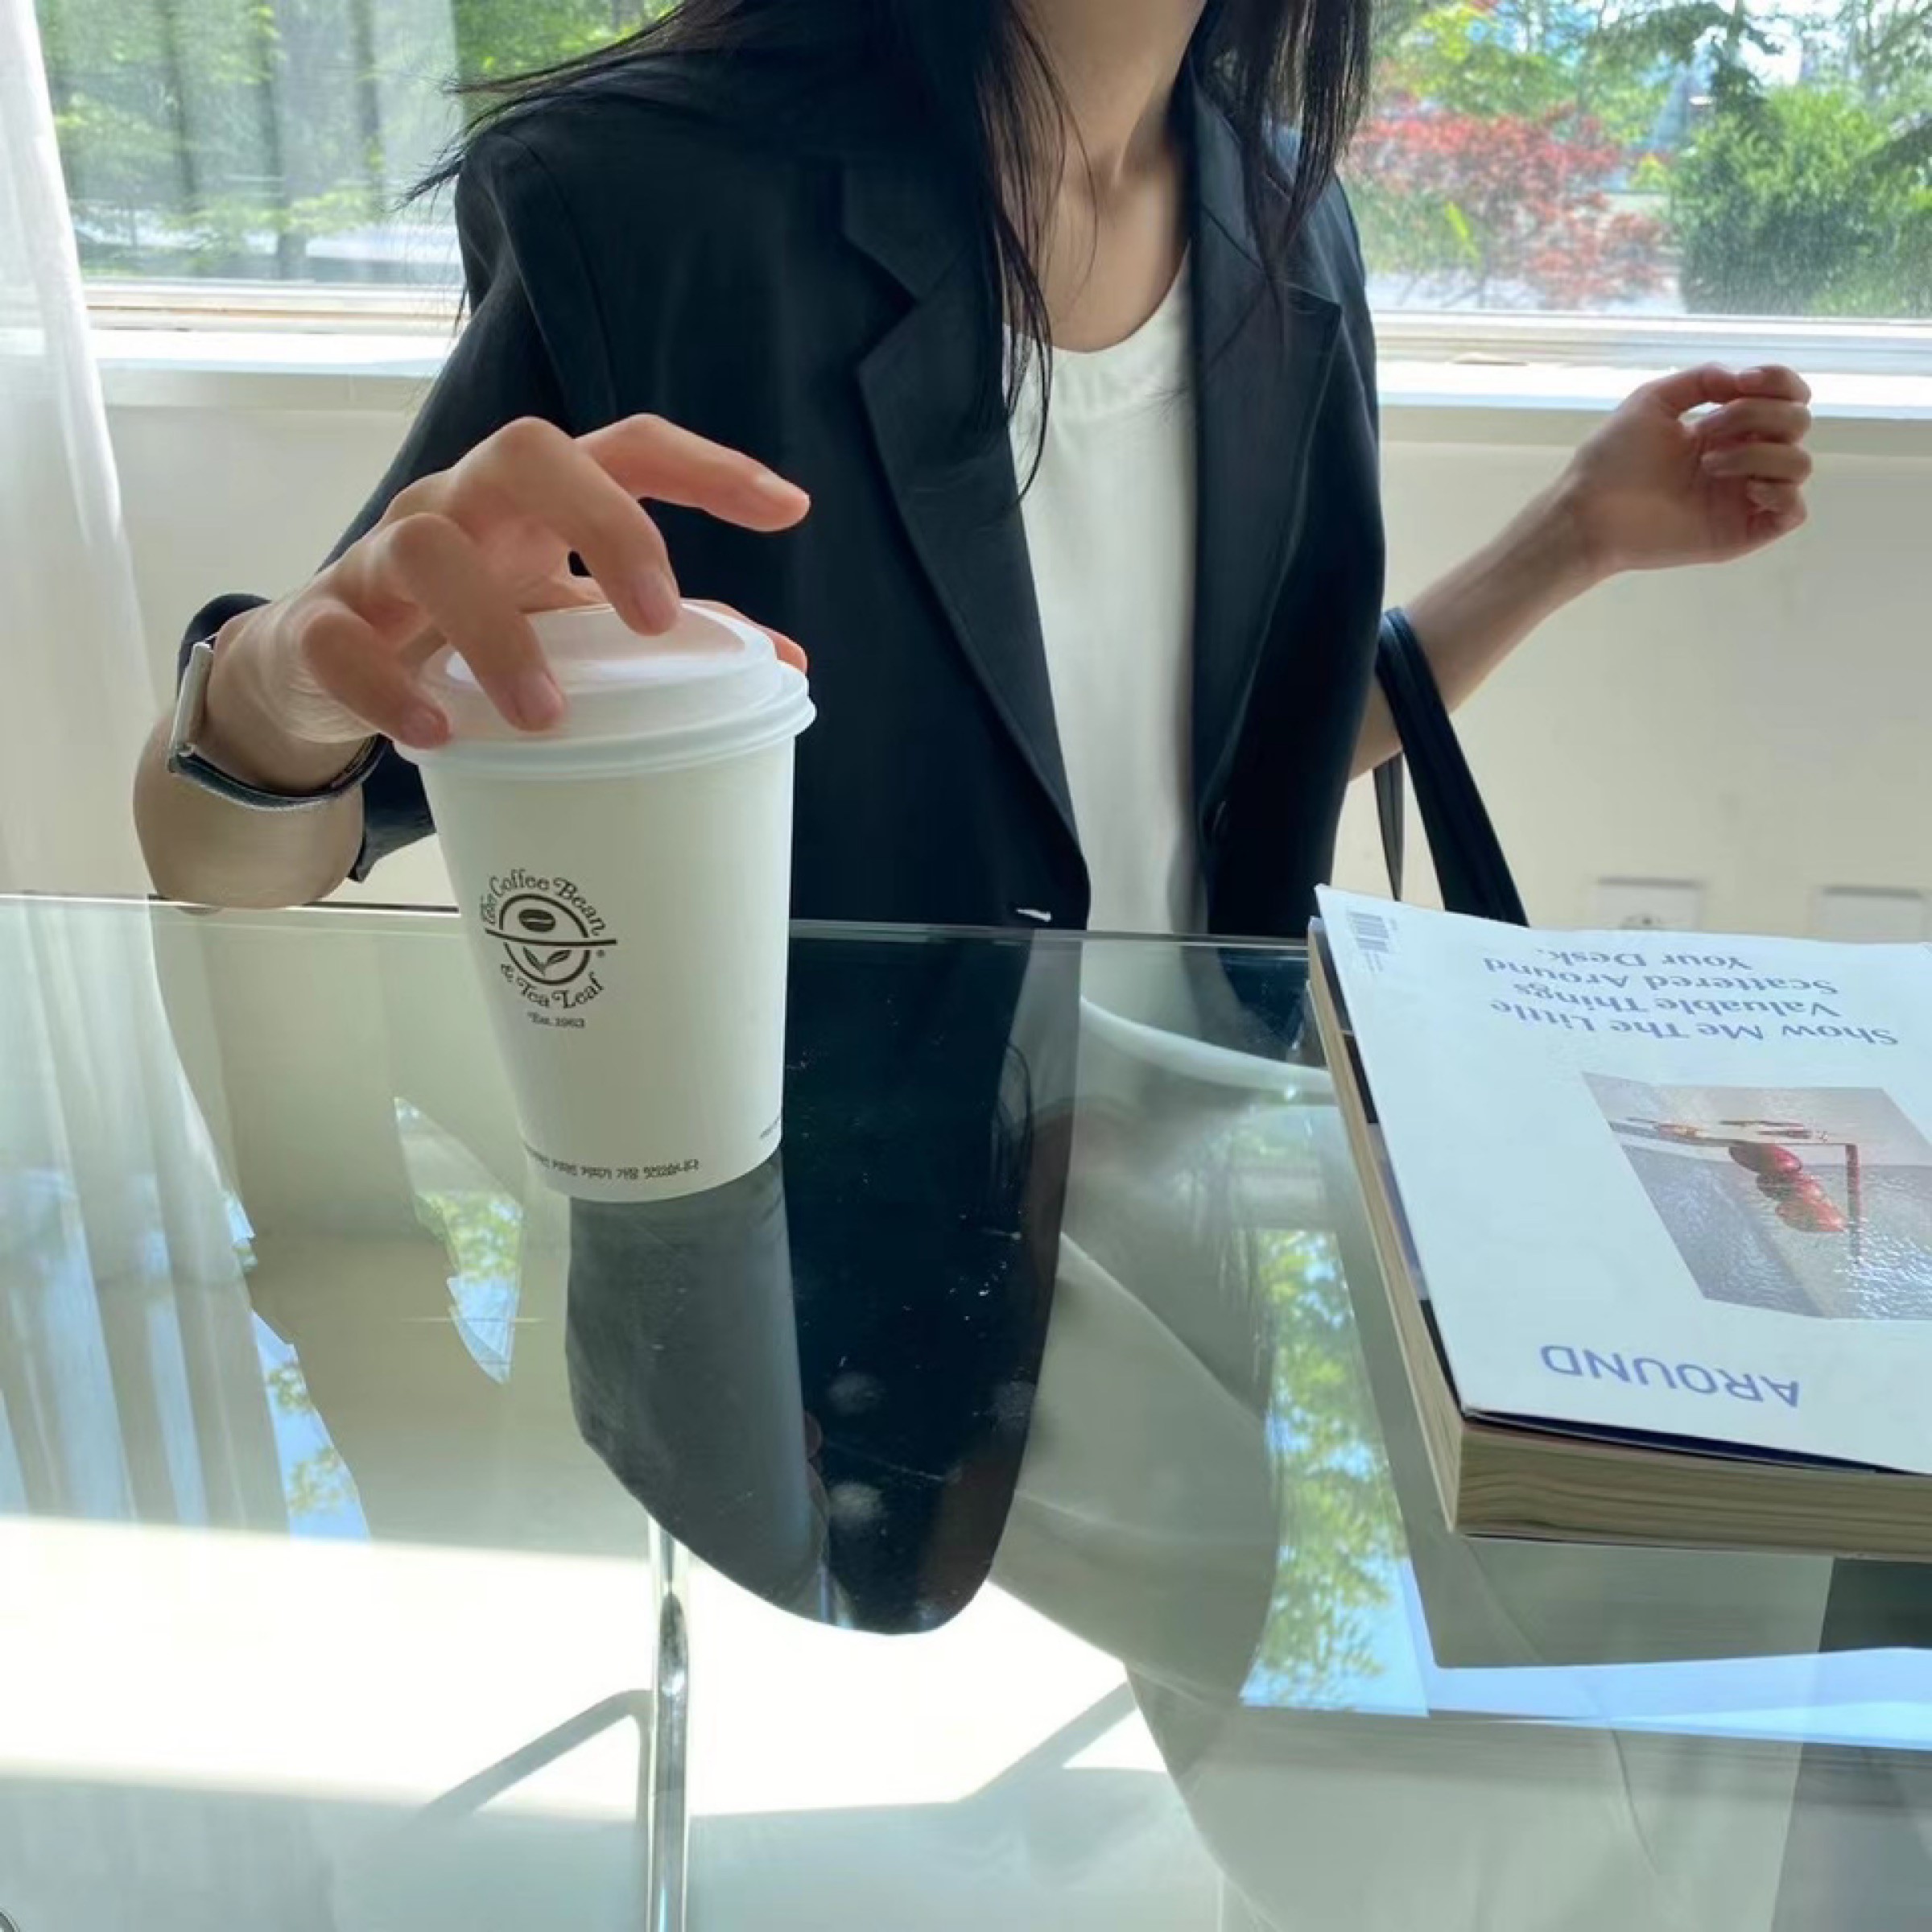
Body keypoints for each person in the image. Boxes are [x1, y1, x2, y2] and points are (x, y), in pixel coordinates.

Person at [134, 0, 1815, 937]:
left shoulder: (1290, 226)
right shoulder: (653, 212)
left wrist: (1571, 538)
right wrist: (276, 695)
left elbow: (1247, 771)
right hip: (803, 1330)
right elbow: (235, 851)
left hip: (1215, 1263)